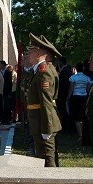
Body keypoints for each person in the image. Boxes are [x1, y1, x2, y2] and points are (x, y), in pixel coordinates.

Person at [23, 33, 62, 167]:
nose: (28, 55)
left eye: (30, 51)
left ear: (38, 53)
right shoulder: (39, 70)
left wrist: (47, 128)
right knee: (43, 157)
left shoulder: (43, 71)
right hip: (38, 121)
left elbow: (46, 102)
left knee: (47, 158)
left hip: (43, 122)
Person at [66, 64, 92, 142]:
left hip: (76, 96)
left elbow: (71, 88)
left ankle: (80, 134)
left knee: (77, 117)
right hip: (84, 97)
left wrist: (68, 97)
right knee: (83, 115)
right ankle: (84, 133)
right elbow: (88, 89)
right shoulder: (87, 78)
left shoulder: (73, 78)